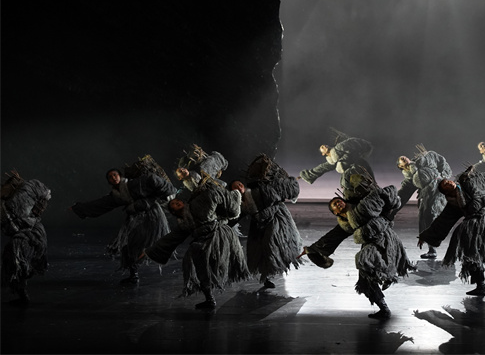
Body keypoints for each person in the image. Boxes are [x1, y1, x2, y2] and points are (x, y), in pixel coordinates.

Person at [143, 176, 249, 309]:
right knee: (200, 265)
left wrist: (230, 197)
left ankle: (226, 277)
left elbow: (213, 195)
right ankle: (209, 298)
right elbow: (172, 238)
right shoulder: (185, 224)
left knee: (216, 261)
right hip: (202, 241)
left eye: (177, 201)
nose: (177, 202)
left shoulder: (196, 204)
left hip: (217, 234)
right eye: (173, 204)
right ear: (174, 212)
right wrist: (150, 251)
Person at [70, 155, 176, 284]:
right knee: (128, 246)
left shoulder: (135, 183)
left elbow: (154, 181)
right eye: (110, 177)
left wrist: (151, 201)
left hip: (152, 215)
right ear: (109, 181)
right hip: (135, 217)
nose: (113, 178)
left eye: (115, 175)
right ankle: (134, 275)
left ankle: (148, 257)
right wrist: (79, 208)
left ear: (120, 176)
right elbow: (100, 204)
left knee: (147, 242)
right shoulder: (116, 195)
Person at [328, 184, 414, 320]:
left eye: (338, 201)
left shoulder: (360, 207)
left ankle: (387, 277)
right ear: (335, 213)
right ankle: (384, 308)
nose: (338, 203)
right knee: (365, 280)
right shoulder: (345, 221)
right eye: (335, 205)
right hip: (369, 241)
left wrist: (387, 212)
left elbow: (382, 194)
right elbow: (334, 237)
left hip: (382, 237)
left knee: (364, 259)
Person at [417, 165, 485, 296]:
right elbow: (443, 221)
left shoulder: (467, 183)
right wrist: (426, 236)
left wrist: (470, 178)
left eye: (448, 181)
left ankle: (480, 284)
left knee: (471, 248)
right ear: (446, 192)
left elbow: (479, 195)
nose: (448, 182)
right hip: (474, 220)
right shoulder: (454, 203)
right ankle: (480, 284)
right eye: (444, 185)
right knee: (470, 251)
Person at [298, 131, 379, 268]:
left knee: (352, 227)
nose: (322, 147)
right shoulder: (338, 159)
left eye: (323, 146)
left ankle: (318, 249)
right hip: (354, 194)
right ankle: (369, 261)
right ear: (325, 154)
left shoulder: (345, 153)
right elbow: (322, 167)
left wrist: (343, 151)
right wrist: (307, 175)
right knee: (354, 226)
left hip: (360, 190)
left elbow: (362, 145)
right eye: (321, 150)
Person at [230, 154, 304, 294]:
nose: (239, 187)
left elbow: (275, 195)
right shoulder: (240, 204)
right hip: (259, 226)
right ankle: (266, 276)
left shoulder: (257, 190)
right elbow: (238, 215)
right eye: (235, 188)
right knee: (261, 251)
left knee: (272, 245)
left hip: (273, 220)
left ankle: (277, 267)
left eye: (239, 184)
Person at [1, 170, 51, 304]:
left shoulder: (27, 189)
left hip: (31, 233)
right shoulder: (6, 203)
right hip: (24, 233)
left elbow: (45, 194)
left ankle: (22, 293)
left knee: (18, 261)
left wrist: (38, 208)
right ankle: (22, 294)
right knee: (13, 261)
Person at [393, 145, 450, 259]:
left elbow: (441, 161)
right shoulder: (410, 178)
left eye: (404, 157)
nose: (403, 157)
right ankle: (432, 249)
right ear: (400, 166)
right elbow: (403, 195)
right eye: (401, 159)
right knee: (427, 218)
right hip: (427, 195)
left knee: (436, 215)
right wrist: (392, 207)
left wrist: (443, 177)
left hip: (439, 190)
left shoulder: (423, 160)